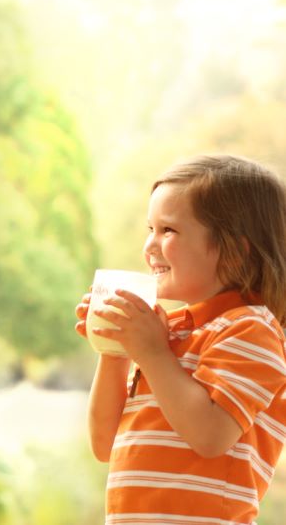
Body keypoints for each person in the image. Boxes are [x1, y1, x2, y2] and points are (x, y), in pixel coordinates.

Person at [75, 154, 286, 524]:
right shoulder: (168, 333)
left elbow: (210, 435)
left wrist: (153, 353)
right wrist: (114, 350)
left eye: (168, 231)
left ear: (235, 251)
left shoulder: (253, 330)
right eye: (149, 229)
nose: (150, 246)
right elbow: (105, 444)